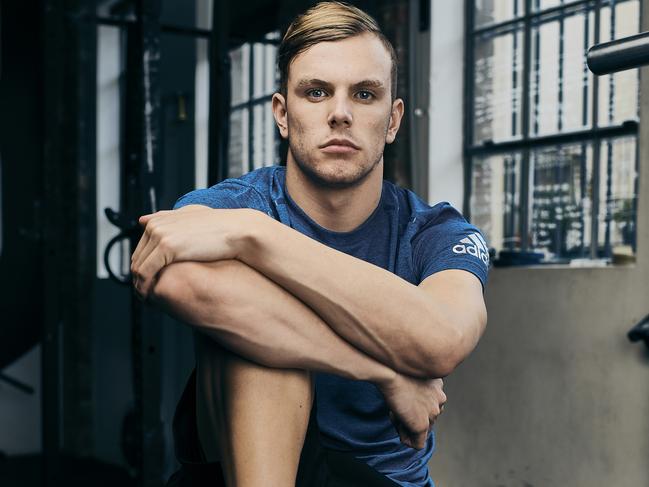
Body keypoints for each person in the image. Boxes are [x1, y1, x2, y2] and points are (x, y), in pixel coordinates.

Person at [131, 2, 489, 486]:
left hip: (381, 480)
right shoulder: (236, 202)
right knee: (262, 350)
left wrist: (254, 237)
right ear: (283, 113)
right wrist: (384, 374)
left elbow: (442, 341)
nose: (339, 114)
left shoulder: (433, 230)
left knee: (260, 321)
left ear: (392, 120)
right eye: (316, 92)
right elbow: (169, 275)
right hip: (242, 469)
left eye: (364, 94)